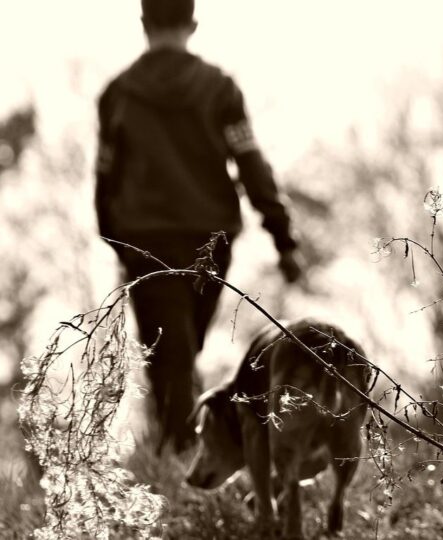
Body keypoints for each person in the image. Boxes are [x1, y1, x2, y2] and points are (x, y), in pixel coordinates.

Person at [94, 0, 302, 453]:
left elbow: (104, 178)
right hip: (209, 240)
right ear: (192, 23)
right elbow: (250, 163)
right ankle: (185, 457)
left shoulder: (117, 94)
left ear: (144, 23)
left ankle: (182, 457)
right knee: (179, 351)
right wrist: (283, 238)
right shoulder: (220, 89)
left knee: (173, 354)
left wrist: (115, 238)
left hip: (144, 242)